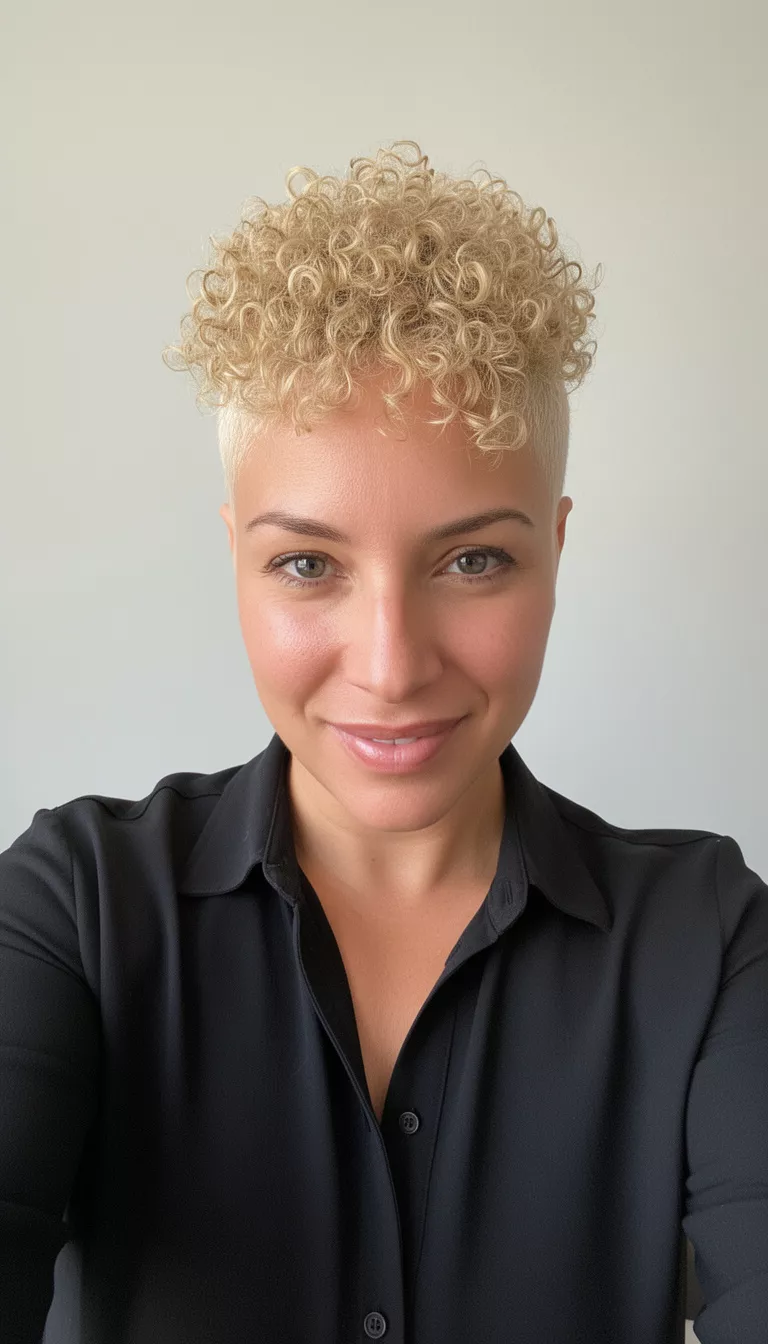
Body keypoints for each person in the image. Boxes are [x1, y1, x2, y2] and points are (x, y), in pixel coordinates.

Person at [1, 139, 766, 1344]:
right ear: (237, 559)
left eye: (474, 560)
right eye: (308, 564)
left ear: (556, 550)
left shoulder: (711, 939)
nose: (391, 663)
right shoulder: (74, 910)